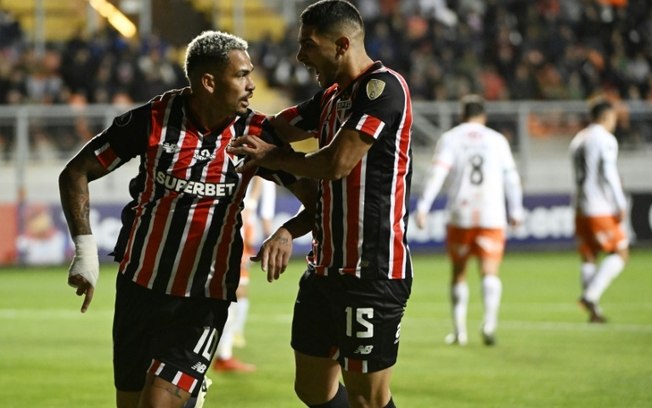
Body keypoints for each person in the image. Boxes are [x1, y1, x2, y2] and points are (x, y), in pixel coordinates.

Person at [58, 30, 316, 408]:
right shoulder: (152, 122)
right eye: (241, 75)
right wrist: (85, 252)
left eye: (251, 74)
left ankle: (185, 389)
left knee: (156, 404)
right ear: (209, 82)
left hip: (204, 295)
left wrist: (287, 232)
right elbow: (76, 172)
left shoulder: (258, 134)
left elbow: (317, 200)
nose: (251, 85)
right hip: (139, 287)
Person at [228, 1, 413, 407]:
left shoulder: (382, 89)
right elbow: (274, 129)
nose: (300, 57)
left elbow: (335, 164)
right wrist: (226, 109)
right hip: (324, 270)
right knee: (312, 389)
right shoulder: (329, 98)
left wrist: (270, 157)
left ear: (342, 44)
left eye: (308, 45)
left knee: (368, 399)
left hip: (371, 273)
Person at [414, 94, 524, 346]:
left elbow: (437, 174)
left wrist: (423, 206)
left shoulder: (451, 138)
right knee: (489, 272)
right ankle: (489, 324)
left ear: (461, 115)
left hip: (460, 213)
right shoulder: (497, 140)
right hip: (492, 213)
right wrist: (516, 210)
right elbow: (511, 178)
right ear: (483, 115)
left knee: (458, 272)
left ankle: (459, 332)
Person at [569, 99, 628, 323]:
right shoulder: (604, 139)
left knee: (589, 257)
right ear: (605, 117)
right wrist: (619, 203)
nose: (614, 123)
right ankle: (590, 296)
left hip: (580, 206)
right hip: (600, 207)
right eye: (613, 118)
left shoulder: (578, 139)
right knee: (621, 254)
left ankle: (594, 314)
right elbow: (609, 172)